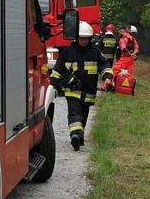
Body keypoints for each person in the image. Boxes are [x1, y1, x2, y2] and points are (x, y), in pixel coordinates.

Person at [49, 21, 114, 151]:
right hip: (72, 91)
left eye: (86, 39)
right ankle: (75, 135)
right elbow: (57, 70)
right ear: (76, 38)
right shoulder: (68, 52)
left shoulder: (95, 52)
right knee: (74, 113)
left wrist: (107, 78)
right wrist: (54, 85)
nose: (83, 41)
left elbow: (105, 66)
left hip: (88, 92)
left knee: (83, 115)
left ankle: (80, 135)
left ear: (90, 39)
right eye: (81, 38)